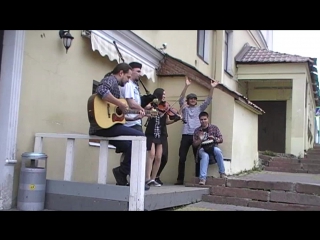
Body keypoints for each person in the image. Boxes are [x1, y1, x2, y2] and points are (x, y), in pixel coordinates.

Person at [89, 62, 149, 190]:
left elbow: (113, 115)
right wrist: (120, 104)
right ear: (121, 73)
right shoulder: (110, 79)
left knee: (130, 146)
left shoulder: (115, 85)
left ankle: (121, 174)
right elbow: (101, 90)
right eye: (127, 77)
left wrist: (132, 117)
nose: (128, 81)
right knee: (141, 137)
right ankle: (123, 171)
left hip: (108, 126)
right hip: (103, 127)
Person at [175, 76, 218, 185]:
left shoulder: (199, 109)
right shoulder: (184, 108)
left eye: (194, 98)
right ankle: (180, 179)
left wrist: (212, 88)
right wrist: (186, 86)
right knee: (182, 158)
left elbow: (208, 100)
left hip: (197, 136)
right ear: (188, 100)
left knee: (198, 157)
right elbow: (180, 98)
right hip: (185, 135)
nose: (193, 100)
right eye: (191, 98)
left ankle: (199, 179)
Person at [145, 88, 179, 187]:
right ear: (159, 94)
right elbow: (146, 112)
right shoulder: (151, 104)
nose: (164, 96)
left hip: (161, 134)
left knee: (159, 157)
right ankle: (147, 178)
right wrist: (153, 111)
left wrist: (175, 120)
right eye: (163, 94)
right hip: (151, 133)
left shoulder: (165, 107)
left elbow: (166, 122)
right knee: (151, 155)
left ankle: (153, 178)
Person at [193, 111, 227, 185]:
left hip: (213, 146)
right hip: (202, 148)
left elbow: (221, 139)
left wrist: (214, 138)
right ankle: (202, 179)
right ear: (199, 120)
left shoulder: (214, 128)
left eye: (205, 119)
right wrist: (200, 139)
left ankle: (222, 173)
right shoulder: (197, 131)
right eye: (201, 119)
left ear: (208, 119)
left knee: (218, 151)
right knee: (205, 156)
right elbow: (194, 145)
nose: (203, 121)